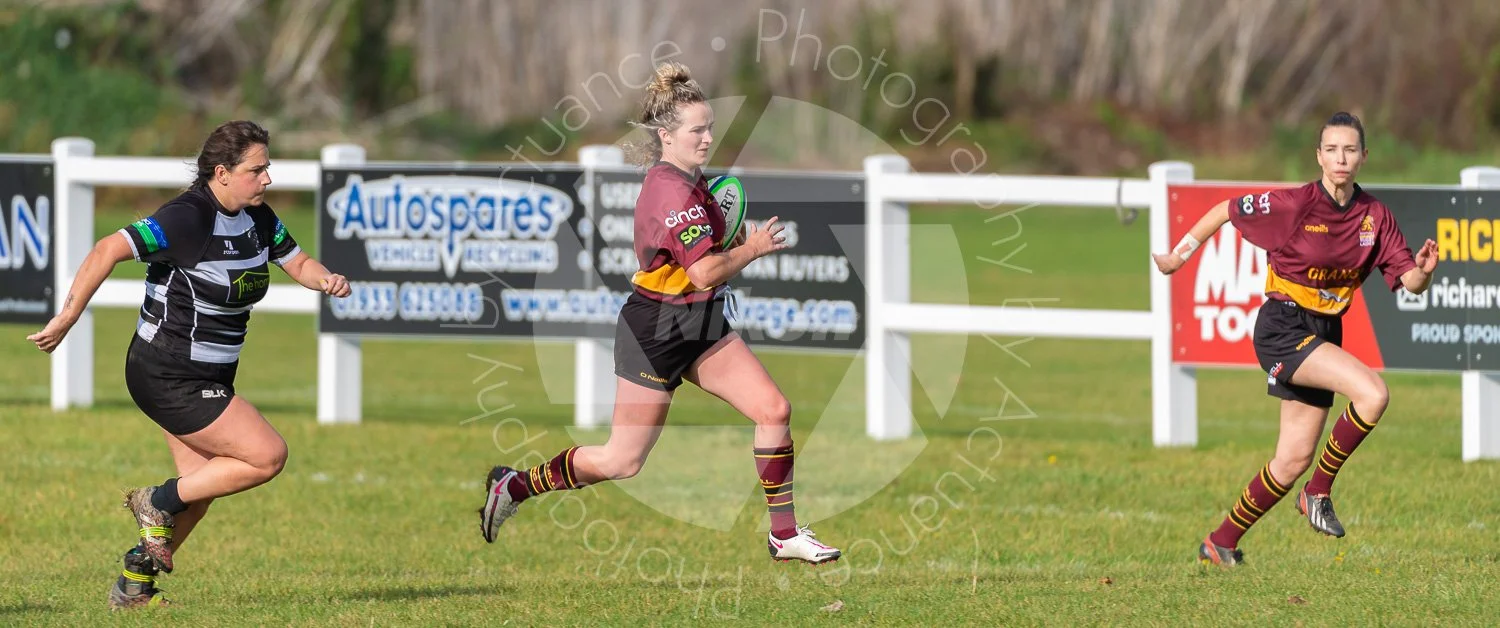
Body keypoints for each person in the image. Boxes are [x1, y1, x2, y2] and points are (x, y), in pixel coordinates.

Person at [478, 61, 842, 564]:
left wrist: (732, 239)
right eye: (698, 129)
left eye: (711, 126)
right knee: (622, 461)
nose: (708, 136)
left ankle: (783, 535)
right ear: (666, 136)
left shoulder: (694, 181)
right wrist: (752, 248)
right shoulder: (671, 191)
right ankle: (513, 487)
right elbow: (704, 273)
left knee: (773, 410)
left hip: (701, 324)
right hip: (657, 331)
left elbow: (709, 254)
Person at [27, 120, 352, 608]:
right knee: (267, 456)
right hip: (166, 371)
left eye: (268, 168)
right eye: (257, 169)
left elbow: (298, 262)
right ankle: (154, 501)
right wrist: (68, 316)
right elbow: (107, 249)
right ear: (222, 172)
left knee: (197, 497)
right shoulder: (187, 218)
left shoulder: (259, 219)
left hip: (210, 374)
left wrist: (326, 279)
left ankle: (135, 583)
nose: (267, 179)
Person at [1152, 112, 1439, 567]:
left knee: (1291, 459)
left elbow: (1409, 282)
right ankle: (1318, 492)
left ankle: (1219, 543)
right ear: (1319, 156)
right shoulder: (1294, 204)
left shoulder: (1375, 217)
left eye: (1350, 150)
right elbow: (1224, 210)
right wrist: (1177, 257)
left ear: (1364, 157)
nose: (1340, 158)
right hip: (1283, 326)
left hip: (1324, 330)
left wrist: (1423, 271)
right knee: (1373, 393)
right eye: (1331, 149)